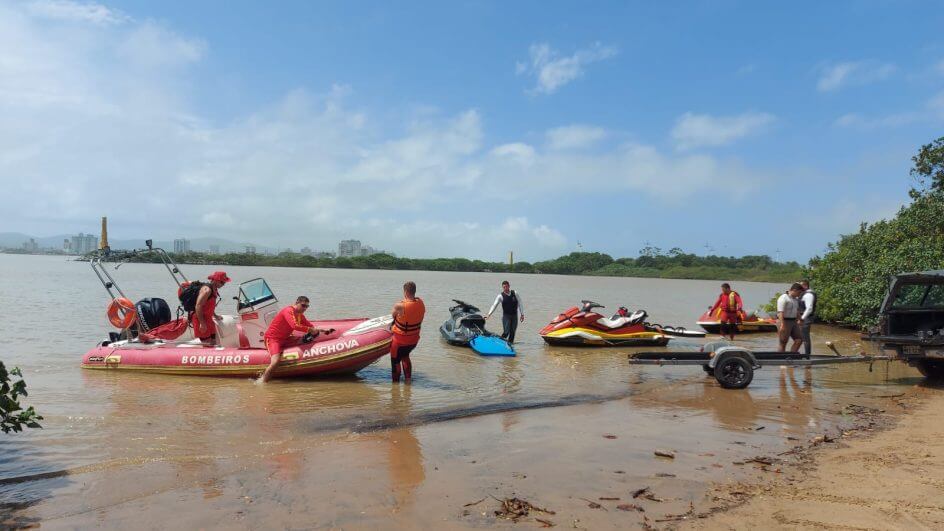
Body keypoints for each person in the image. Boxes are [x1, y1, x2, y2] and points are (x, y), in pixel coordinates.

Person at [258, 296, 333, 383]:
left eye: (307, 306)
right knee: (275, 361)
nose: (305, 308)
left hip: (286, 338)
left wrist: (323, 330)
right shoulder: (288, 311)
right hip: (273, 339)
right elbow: (294, 326)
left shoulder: (300, 315)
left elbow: (310, 326)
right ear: (297, 303)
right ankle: (262, 382)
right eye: (303, 305)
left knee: (303, 340)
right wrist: (310, 330)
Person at [390, 281, 425, 383]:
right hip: (413, 341)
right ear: (414, 291)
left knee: (395, 360)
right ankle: (408, 381)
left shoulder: (400, 305)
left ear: (405, 292)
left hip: (399, 341)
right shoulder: (421, 302)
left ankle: (395, 385)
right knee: (405, 356)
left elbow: (393, 316)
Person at [192, 271, 230, 346]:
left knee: (213, 342)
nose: (223, 285)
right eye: (222, 282)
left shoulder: (214, 289)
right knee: (207, 344)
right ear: (215, 280)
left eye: (224, 283)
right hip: (201, 319)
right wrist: (202, 324)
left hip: (209, 320)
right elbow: (198, 306)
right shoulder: (207, 290)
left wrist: (215, 315)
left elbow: (209, 306)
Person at [777, 283, 805, 352]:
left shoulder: (796, 299)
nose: (799, 294)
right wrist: (782, 325)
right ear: (794, 290)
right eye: (799, 292)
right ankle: (781, 360)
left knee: (799, 340)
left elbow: (797, 310)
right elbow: (780, 312)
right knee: (783, 342)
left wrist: (800, 319)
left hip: (793, 321)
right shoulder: (783, 298)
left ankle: (791, 357)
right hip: (784, 321)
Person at [798, 280, 816, 355]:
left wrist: (802, 318)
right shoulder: (805, 294)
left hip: (806, 318)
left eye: (800, 286)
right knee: (801, 336)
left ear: (805, 286)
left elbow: (809, 308)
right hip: (804, 317)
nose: (798, 288)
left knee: (805, 338)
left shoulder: (808, 295)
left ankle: (807, 355)